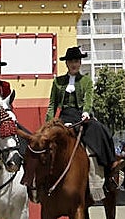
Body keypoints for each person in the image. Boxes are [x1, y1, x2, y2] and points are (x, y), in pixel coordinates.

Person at [47, 46, 116, 200]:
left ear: (80, 63)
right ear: (66, 63)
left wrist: (86, 112)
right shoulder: (58, 82)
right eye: (71, 61)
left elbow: (88, 99)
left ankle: (106, 174)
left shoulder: (86, 81)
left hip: (81, 116)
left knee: (101, 131)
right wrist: (49, 123)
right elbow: (52, 105)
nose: (74, 64)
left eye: (77, 61)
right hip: (64, 117)